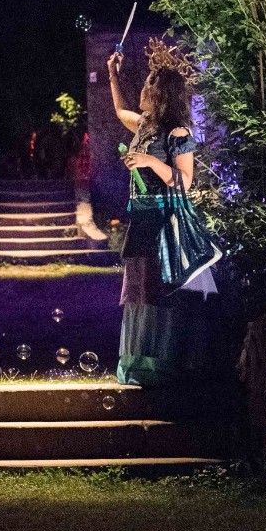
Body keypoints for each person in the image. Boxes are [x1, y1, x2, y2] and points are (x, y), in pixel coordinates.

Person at [107, 39, 217, 387]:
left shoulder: (177, 133)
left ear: (162, 94)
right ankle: (138, 365)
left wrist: (151, 161)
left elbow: (184, 181)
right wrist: (112, 75)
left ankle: (165, 366)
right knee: (139, 293)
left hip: (165, 222)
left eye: (147, 87)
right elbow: (120, 112)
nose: (142, 91)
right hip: (142, 219)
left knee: (161, 293)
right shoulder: (145, 126)